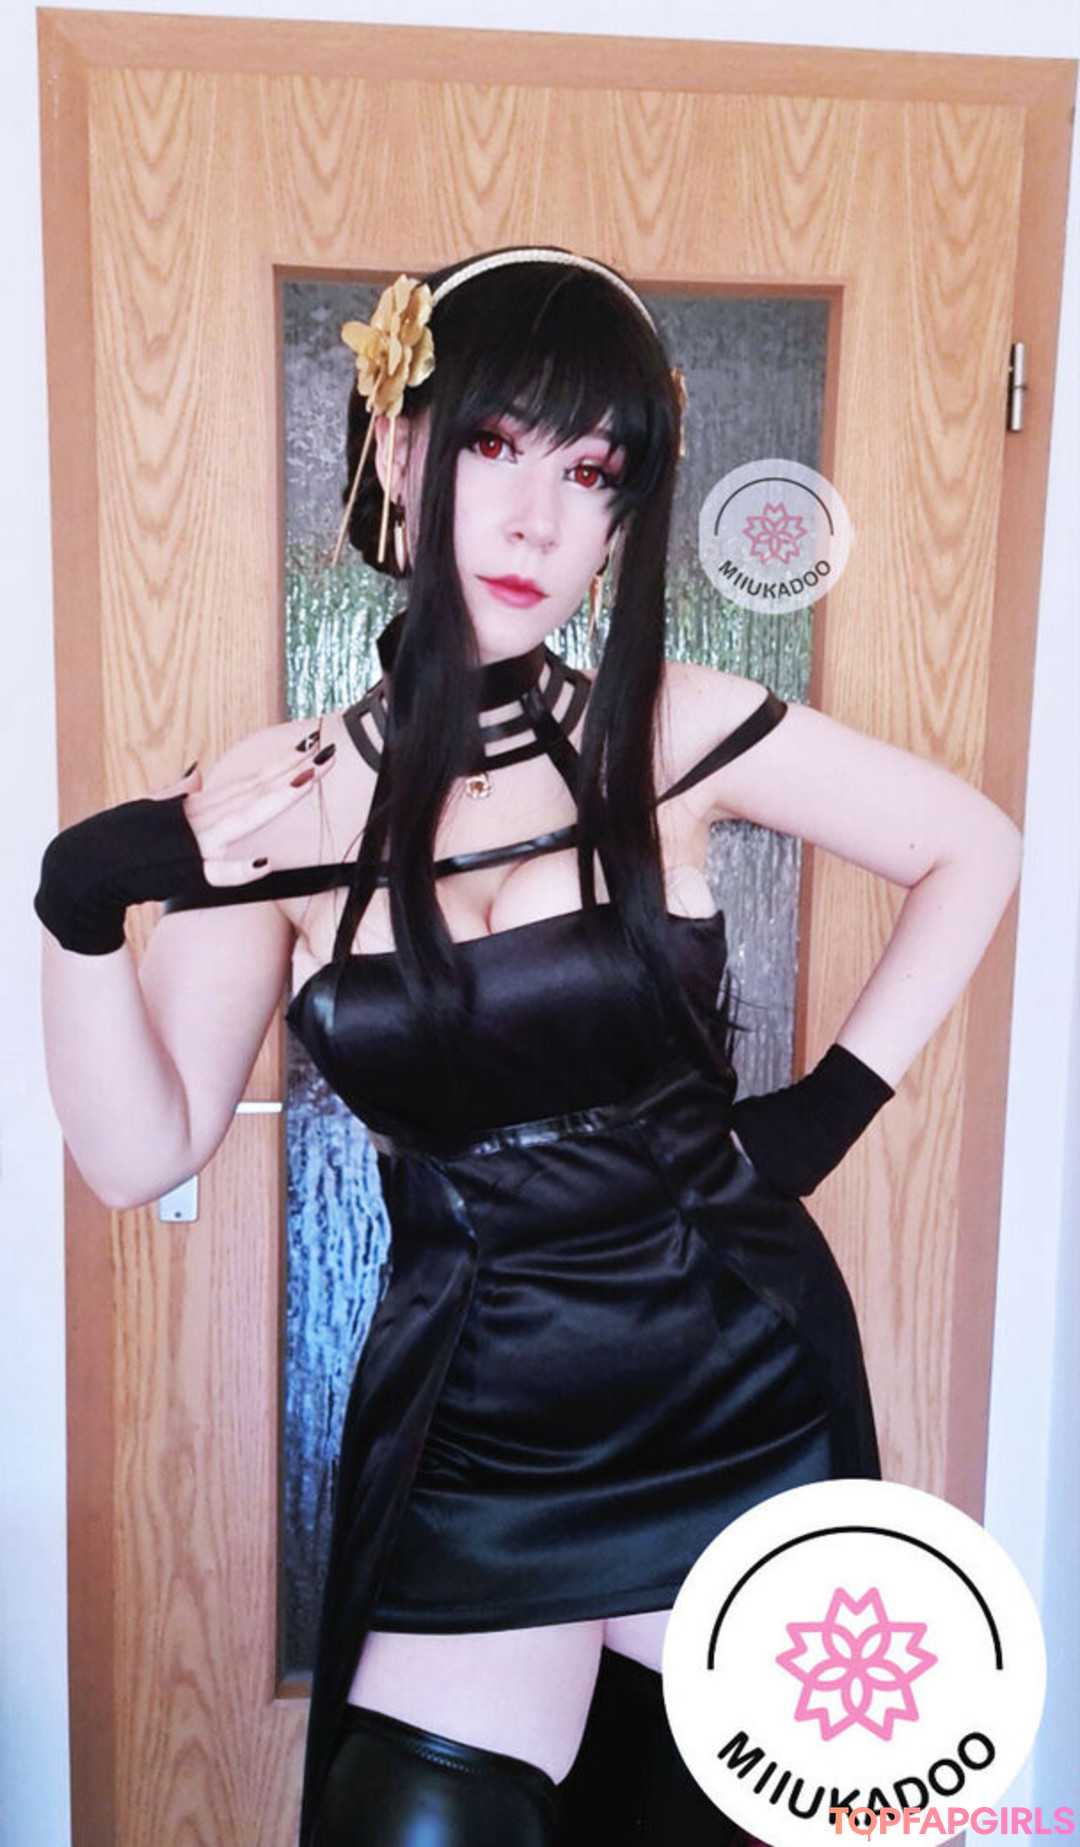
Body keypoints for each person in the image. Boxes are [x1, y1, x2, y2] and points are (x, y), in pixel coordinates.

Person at [35, 247, 1024, 1847]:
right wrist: (79, 912)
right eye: (495, 445)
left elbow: (974, 845)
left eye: (591, 473)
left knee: (755, 1817)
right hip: (478, 1401)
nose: (537, 521)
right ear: (398, 447)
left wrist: (822, 1117)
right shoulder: (277, 796)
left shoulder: (674, 726)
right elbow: (138, 1152)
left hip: (733, 1369)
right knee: (411, 1821)